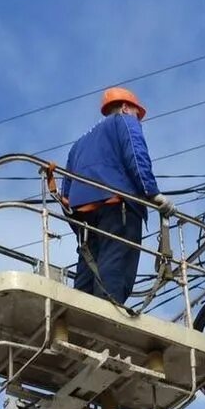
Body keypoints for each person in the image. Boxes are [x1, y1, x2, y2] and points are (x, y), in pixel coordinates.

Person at [61, 87, 175, 304]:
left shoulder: (79, 144)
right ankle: (106, 322)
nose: (138, 121)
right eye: (136, 114)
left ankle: (79, 321)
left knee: (87, 271)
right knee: (115, 268)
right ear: (124, 107)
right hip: (117, 208)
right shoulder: (124, 122)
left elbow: (65, 193)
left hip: (85, 217)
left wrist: (77, 222)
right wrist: (152, 193)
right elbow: (136, 154)